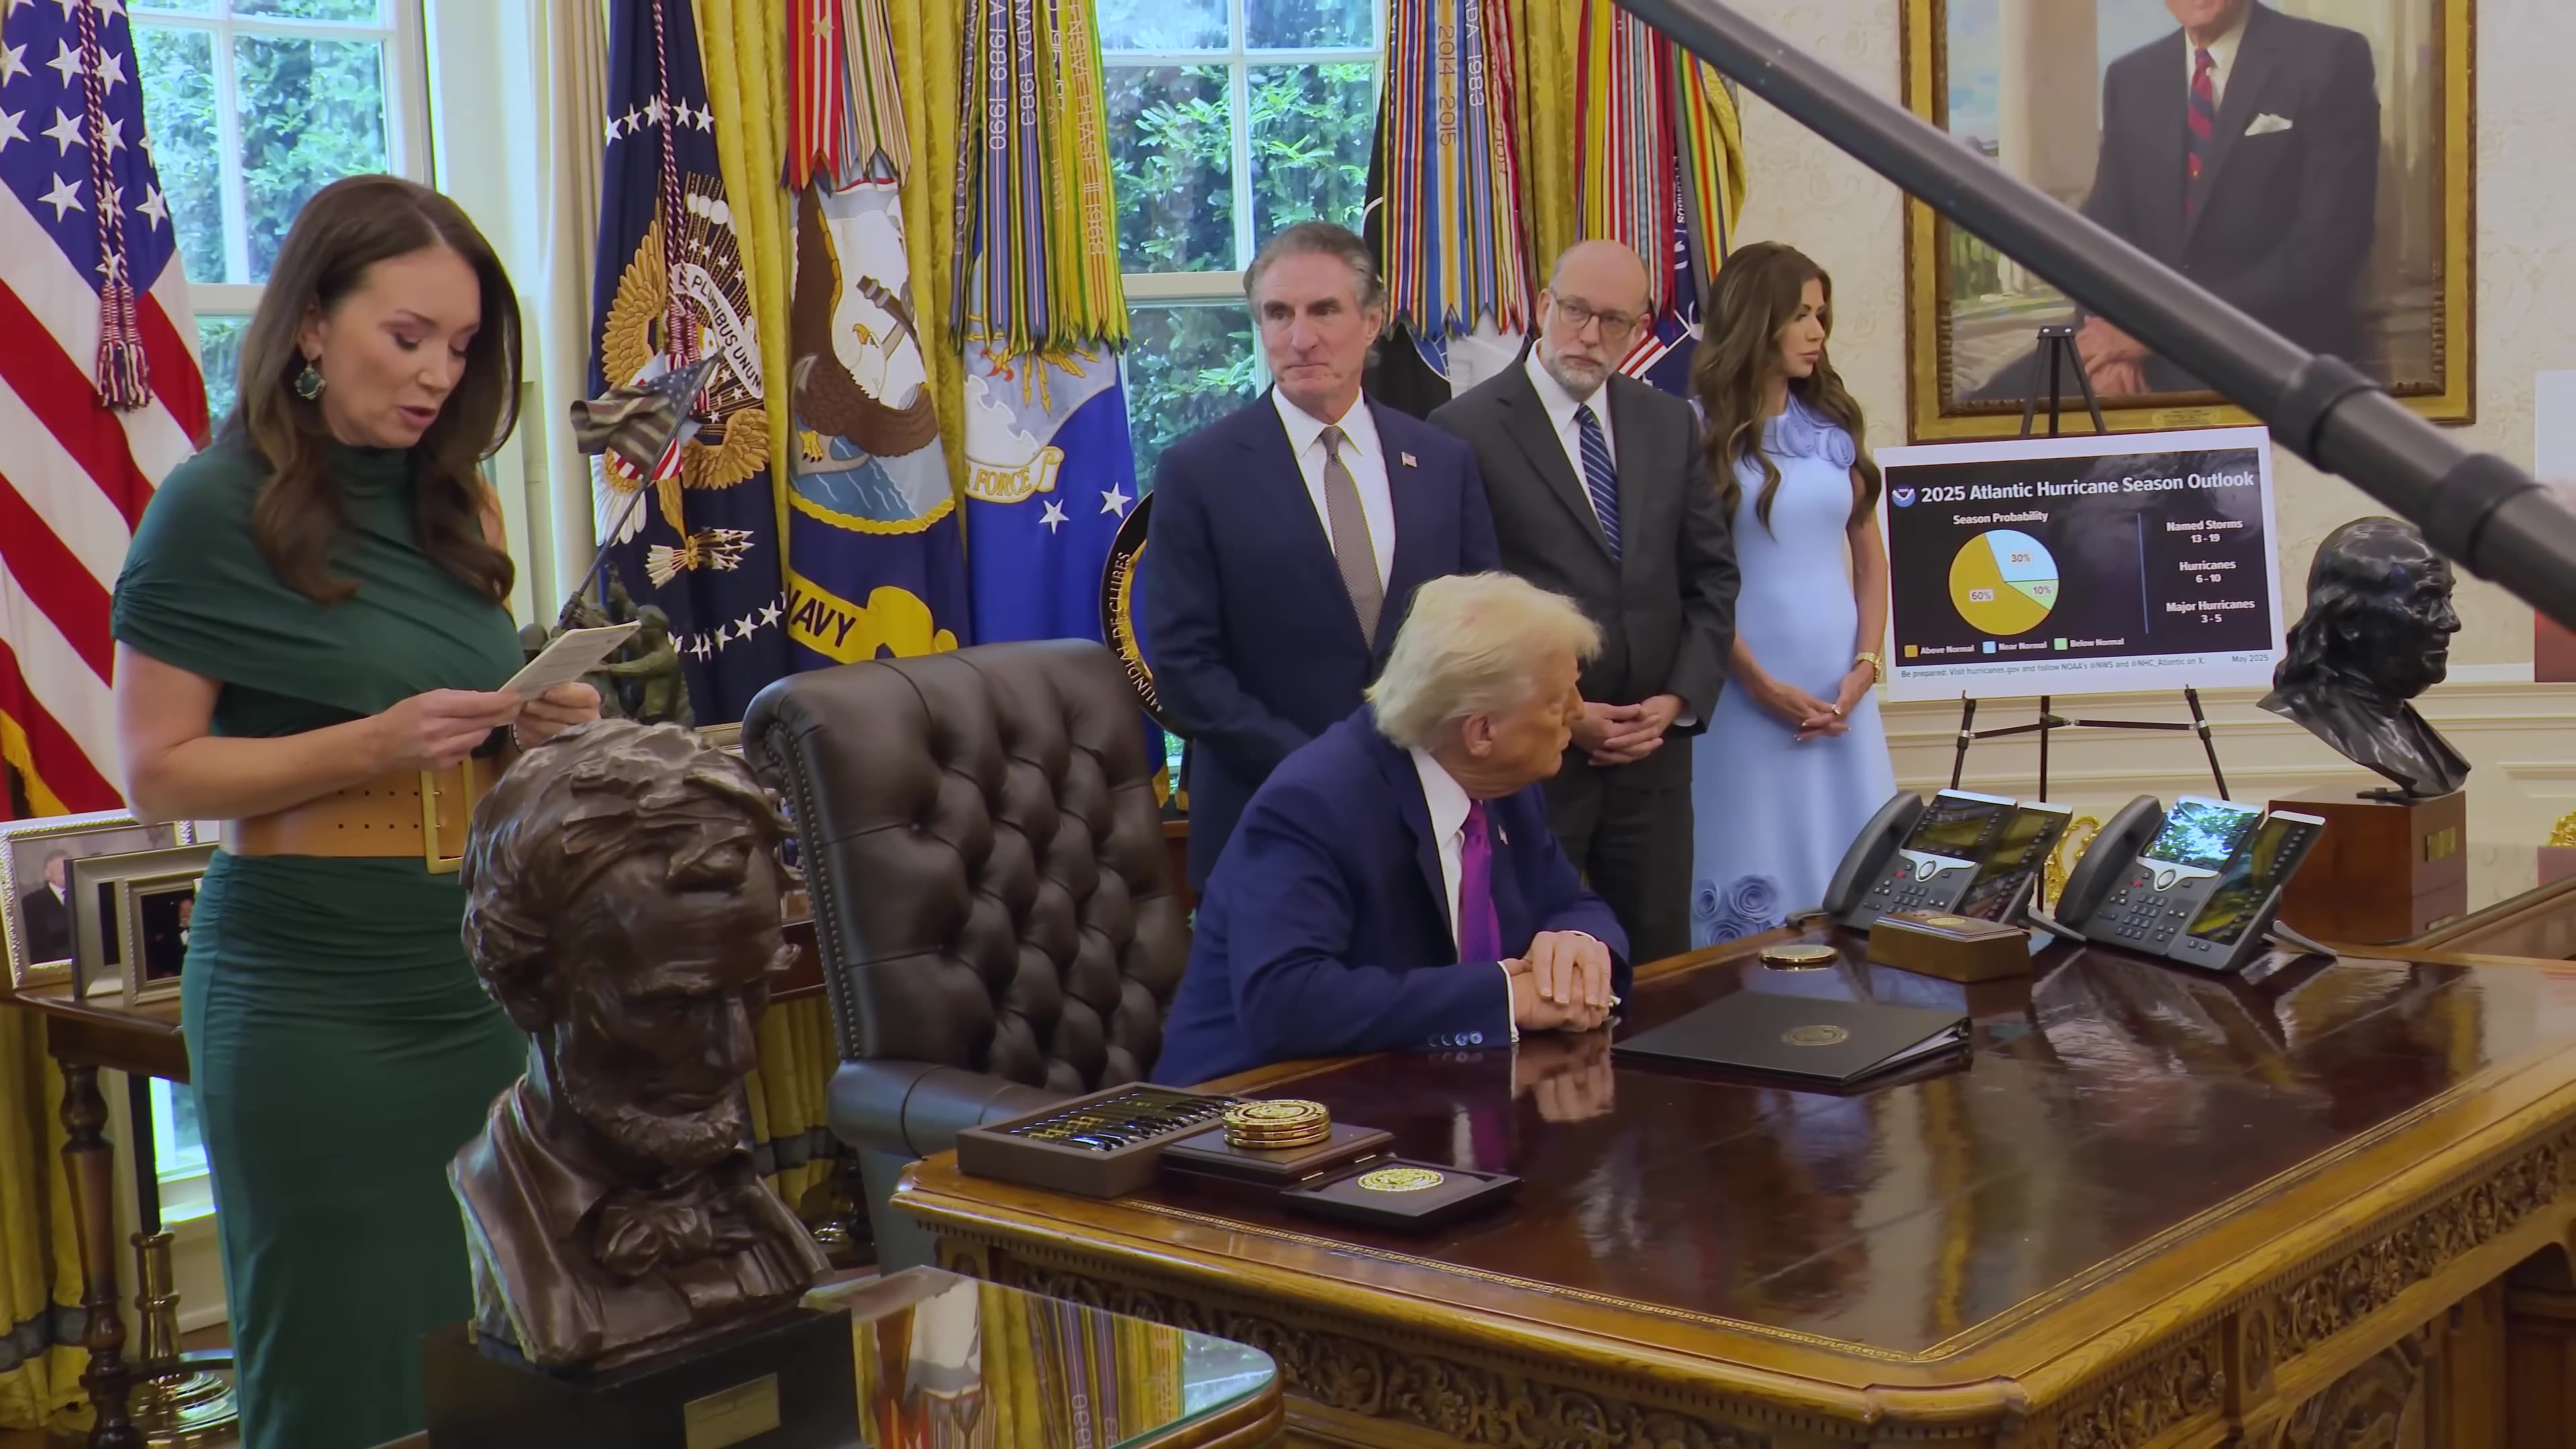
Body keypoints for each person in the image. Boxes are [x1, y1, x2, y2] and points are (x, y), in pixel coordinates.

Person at [110, 174, 602, 1448]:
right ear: (313, 326)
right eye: (409, 335)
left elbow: (452, 727)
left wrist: (527, 722)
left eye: (463, 345)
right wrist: (373, 743)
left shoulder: (460, 504)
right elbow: (158, 773)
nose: (439, 373)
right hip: (307, 990)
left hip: (470, 970)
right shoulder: (210, 507)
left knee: (489, 1347)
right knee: (337, 1355)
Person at [1154, 572, 1628, 1087]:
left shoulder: (1506, 786)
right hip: (1250, 1106)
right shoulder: (1315, 803)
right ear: (1482, 732)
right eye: (1557, 701)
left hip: (1424, 1089)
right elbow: (1285, 1002)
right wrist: (1506, 997)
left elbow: (1573, 903)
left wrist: (1580, 944)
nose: (1578, 711)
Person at [454, 721, 826, 1370]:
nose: (737, 1054)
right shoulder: (501, 1206)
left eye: (753, 991)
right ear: (527, 988)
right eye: (671, 1008)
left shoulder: (755, 1216)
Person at [1145, 221, 1501, 894]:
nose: (1300, 338)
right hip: (1269, 824)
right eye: (1278, 314)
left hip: (1429, 822)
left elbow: (1488, 629)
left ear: (1371, 322)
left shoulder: (1442, 461)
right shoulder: (1200, 473)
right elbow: (1186, 671)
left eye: (1324, 311)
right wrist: (1330, 772)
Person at [1430, 240, 1738, 963]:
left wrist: (1678, 702)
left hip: (1654, 763)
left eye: (1613, 320)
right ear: (1544, 306)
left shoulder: (1669, 423)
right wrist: (1569, 715)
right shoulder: (1463, 431)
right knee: (1543, 969)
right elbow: (1461, 608)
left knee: (1660, 972)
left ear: (1639, 330)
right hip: (1534, 767)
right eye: (1575, 311)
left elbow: (1712, 578)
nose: (1590, 335)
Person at [1686, 243, 1896, 941]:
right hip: (1740, 695)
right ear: (1757, 319)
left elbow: (1870, 565)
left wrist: (1865, 668)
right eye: (1801, 315)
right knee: (1752, 860)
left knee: (1851, 861)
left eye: (1821, 315)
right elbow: (1689, 578)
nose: (1817, 332)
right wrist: (1757, 682)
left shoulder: (1833, 433)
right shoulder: (1694, 435)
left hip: (1841, 698)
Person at [2069, 0, 2380, 395]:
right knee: (2002, 402)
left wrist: (2156, 329)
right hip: (2136, 346)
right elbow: (2102, 236)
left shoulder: (2328, 58)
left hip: (2268, 351)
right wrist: (2106, 348)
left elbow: (2325, 254)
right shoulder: (2130, 77)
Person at [17, 851, 71, 963]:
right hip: (51, 965)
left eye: (69, 867)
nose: (67, 872)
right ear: (48, 873)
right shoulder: (31, 903)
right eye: (62, 869)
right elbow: (32, 942)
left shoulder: (83, 894)